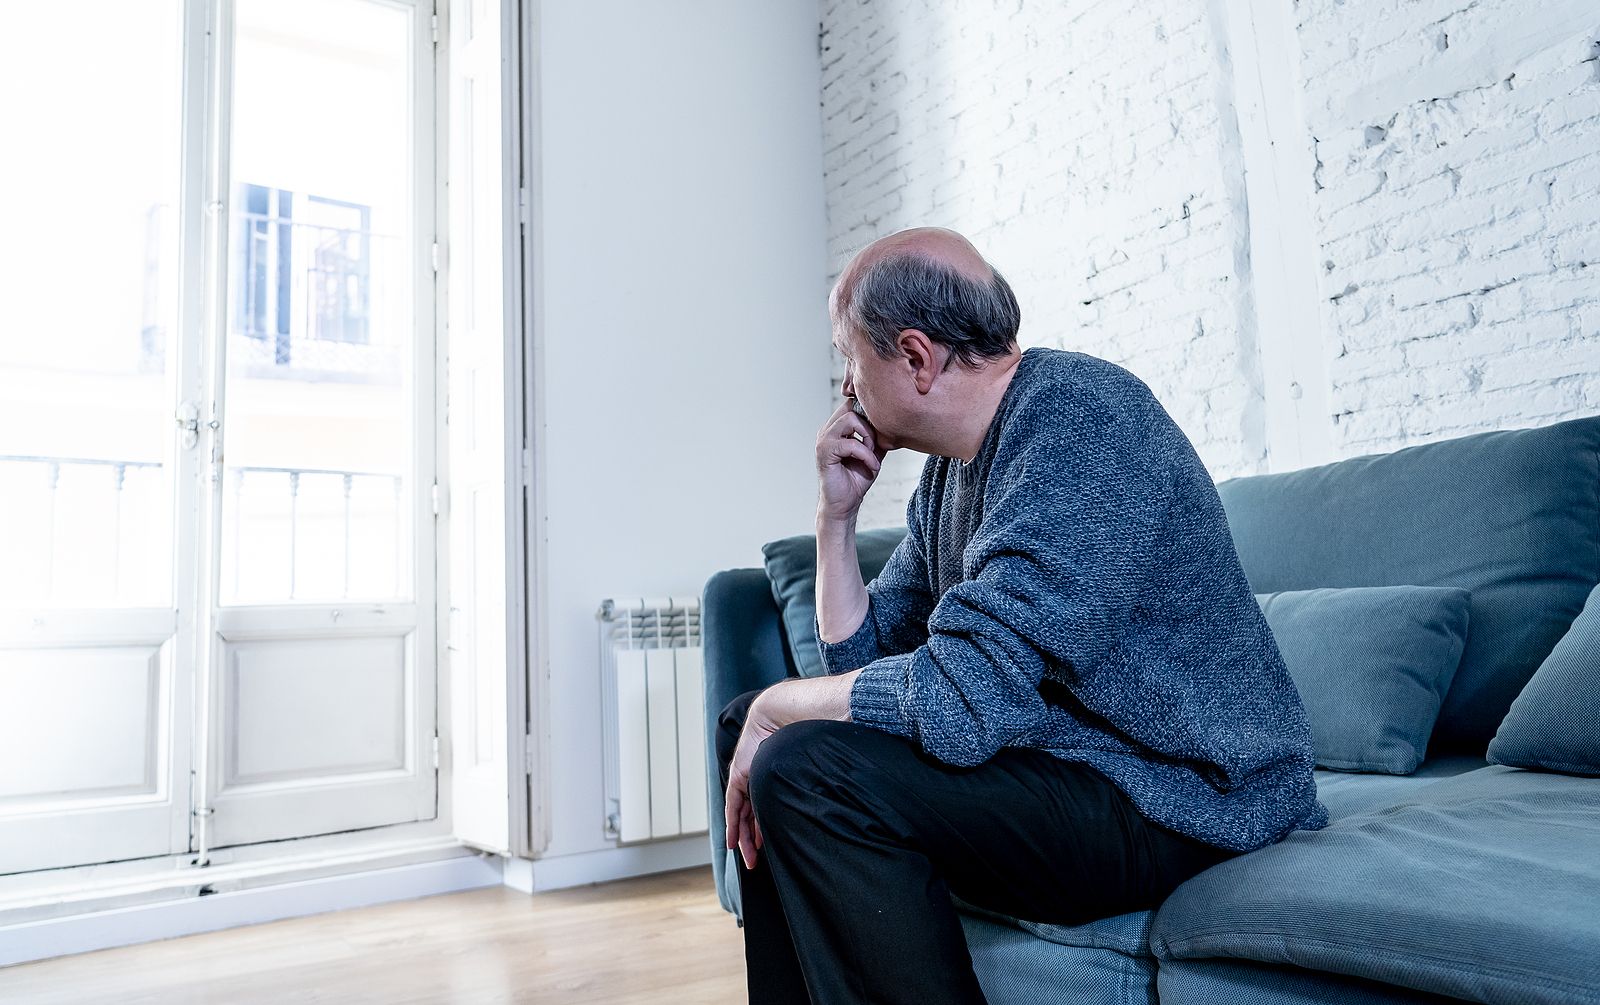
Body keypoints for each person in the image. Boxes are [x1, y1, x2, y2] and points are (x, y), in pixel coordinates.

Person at [715, 227, 1329, 1005]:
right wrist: (835, 521)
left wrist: (783, 706)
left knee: (801, 761)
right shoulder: (950, 474)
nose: (845, 386)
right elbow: (864, 670)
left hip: (1181, 796)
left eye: (849, 356)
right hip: (1071, 769)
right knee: (751, 728)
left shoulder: (1084, 421)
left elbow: (959, 701)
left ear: (914, 358)